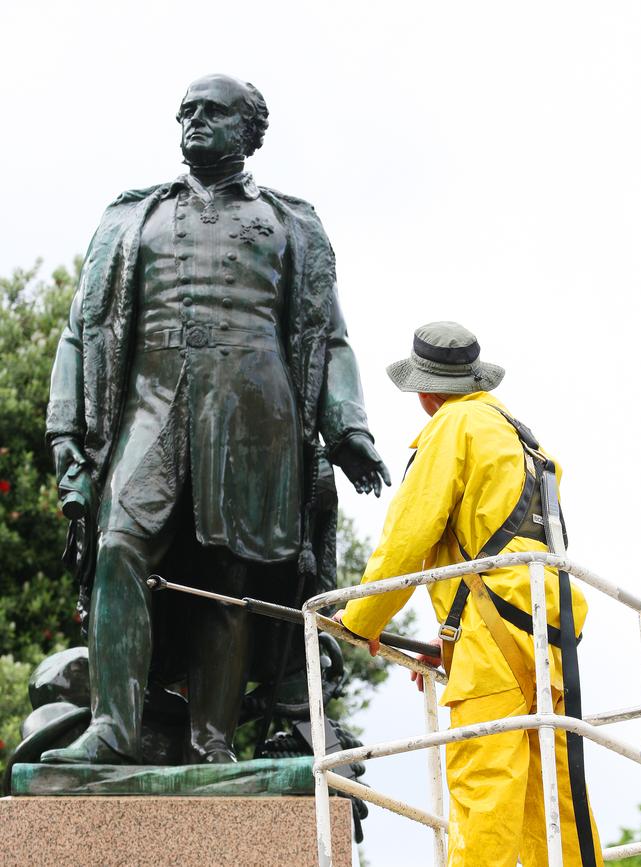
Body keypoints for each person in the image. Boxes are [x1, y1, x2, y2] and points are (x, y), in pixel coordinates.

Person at [42, 73, 390, 766]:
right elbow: (82, 329)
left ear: (249, 129)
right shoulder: (129, 216)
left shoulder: (292, 222)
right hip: (151, 402)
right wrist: (64, 429)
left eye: (211, 111)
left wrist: (347, 427)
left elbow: (329, 334)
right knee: (119, 545)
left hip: (256, 414)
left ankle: (213, 740)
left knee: (228, 575)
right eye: (185, 112)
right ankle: (113, 725)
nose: (193, 122)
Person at [333, 321, 603, 866]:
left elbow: (408, 538)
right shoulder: (520, 435)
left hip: (495, 640)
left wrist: (359, 619)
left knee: (486, 794)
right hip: (551, 634)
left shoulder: (451, 427)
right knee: (555, 800)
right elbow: (500, 549)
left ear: (424, 391)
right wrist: (451, 642)